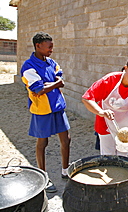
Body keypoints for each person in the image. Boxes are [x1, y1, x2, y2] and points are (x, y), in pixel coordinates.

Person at [20, 32, 71, 193]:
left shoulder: (51, 62)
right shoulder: (28, 67)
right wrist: (54, 85)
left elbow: (59, 77)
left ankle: (65, 170)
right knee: (43, 143)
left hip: (58, 107)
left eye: (52, 47)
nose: (51, 50)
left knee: (66, 139)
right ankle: (44, 176)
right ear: (38, 46)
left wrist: (50, 84)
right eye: (49, 47)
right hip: (42, 110)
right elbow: (39, 89)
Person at [82, 57, 128, 156]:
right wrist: (101, 112)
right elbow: (87, 99)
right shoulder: (110, 80)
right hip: (105, 122)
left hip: (125, 124)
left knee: (123, 156)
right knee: (108, 155)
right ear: (125, 68)